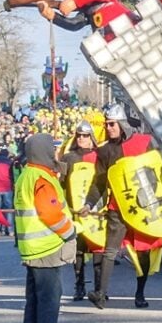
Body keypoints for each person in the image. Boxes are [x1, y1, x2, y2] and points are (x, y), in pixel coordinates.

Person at [81, 105, 162, 309]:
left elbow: (155, 171)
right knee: (109, 251)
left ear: (122, 124)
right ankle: (100, 294)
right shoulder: (104, 150)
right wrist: (88, 203)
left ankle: (140, 293)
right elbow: (99, 182)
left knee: (143, 252)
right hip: (116, 208)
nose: (108, 127)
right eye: (106, 124)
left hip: (142, 206)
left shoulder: (143, 143)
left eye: (112, 124)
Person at [14, 133, 76, 323]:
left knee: (35, 300)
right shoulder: (42, 178)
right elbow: (50, 213)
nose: (56, 153)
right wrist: (70, 232)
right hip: (46, 247)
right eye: (54, 149)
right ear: (45, 152)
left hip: (32, 246)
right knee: (49, 299)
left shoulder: (27, 175)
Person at [58, 121, 99, 302]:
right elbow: (62, 184)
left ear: (91, 137)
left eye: (85, 135)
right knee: (79, 250)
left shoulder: (99, 156)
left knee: (99, 248)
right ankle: (79, 285)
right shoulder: (69, 158)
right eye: (79, 135)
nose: (81, 139)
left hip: (96, 210)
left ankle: (99, 287)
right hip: (75, 209)